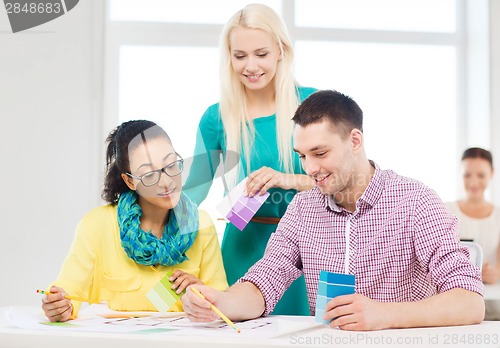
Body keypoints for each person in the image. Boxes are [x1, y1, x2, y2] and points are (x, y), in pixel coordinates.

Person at [181, 90, 485, 331]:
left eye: (320, 153)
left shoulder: (417, 201)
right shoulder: (303, 208)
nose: (310, 168)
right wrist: (221, 302)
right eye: (302, 156)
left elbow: (470, 302)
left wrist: (383, 314)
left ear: (355, 140)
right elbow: (265, 279)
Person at [183, 4, 316, 315]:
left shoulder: (313, 105)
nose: (250, 66)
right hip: (242, 248)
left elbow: (344, 183)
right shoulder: (217, 118)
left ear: (281, 51)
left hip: (306, 249)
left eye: (261, 53)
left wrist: (288, 180)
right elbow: (193, 191)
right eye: (239, 56)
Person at [41, 120, 227, 322]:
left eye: (171, 165)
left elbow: (223, 303)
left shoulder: (201, 223)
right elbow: (68, 290)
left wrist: (203, 294)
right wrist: (59, 306)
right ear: (130, 181)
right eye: (149, 175)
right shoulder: (97, 225)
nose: (166, 183)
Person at [445, 147, 500, 320]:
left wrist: (496, 273)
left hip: (494, 304)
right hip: (456, 304)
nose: (473, 182)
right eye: (467, 175)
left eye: (481, 175)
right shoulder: (445, 211)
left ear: (491, 174)